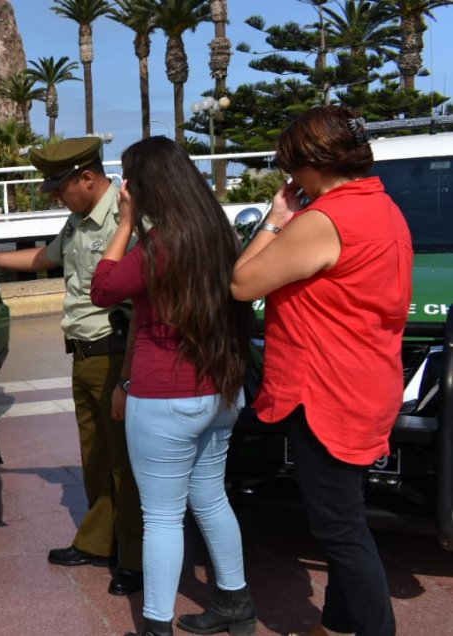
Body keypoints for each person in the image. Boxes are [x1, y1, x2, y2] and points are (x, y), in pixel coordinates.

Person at [232, 106, 410, 636]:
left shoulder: (326, 221)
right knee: (347, 515)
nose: (289, 180)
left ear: (312, 164)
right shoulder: (384, 209)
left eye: (292, 169)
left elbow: (242, 283)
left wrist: (275, 217)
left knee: (340, 530)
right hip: (366, 383)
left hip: (327, 392)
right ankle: (336, 624)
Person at [90, 137, 255, 636]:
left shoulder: (157, 245)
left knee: (161, 516)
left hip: (166, 397)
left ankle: (156, 627)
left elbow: (104, 288)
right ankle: (236, 602)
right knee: (210, 498)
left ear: (146, 187)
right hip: (220, 390)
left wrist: (123, 223)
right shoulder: (217, 235)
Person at [0, 137, 144, 596]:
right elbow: (44, 258)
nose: (55, 196)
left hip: (116, 351)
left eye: (60, 188)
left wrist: (129, 374)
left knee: (126, 464)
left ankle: (136, 558)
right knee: (95, 457)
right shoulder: (79, 220)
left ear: (87, 178)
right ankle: (99, 542)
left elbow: (143, 298)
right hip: (84, 355)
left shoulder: (127, 220)